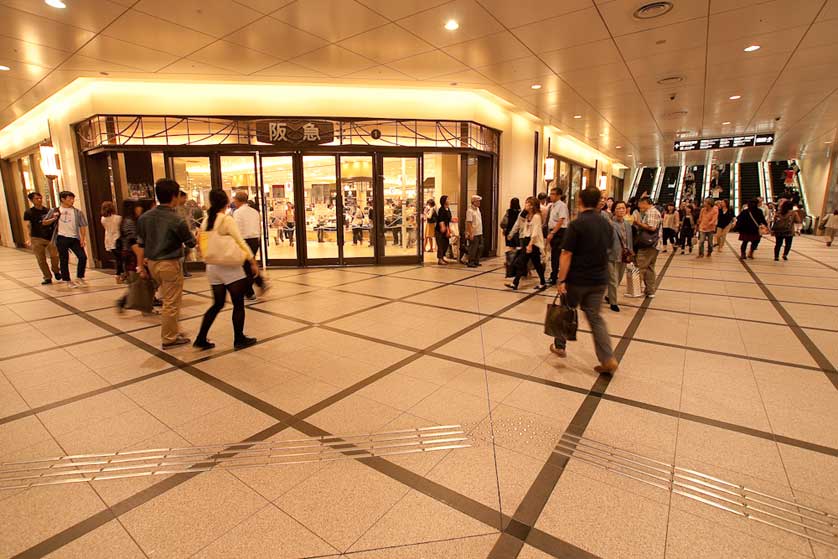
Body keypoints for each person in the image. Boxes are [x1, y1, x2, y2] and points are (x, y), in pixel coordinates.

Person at [550, 188, 618, 374]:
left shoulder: (577, 224)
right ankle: (607, 358)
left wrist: (561, 279)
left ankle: (560, 346)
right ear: (598, 202)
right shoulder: (606, 224)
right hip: (599, 280)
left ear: (580, 200)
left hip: (576, 280)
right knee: (595, 318)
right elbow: (609, 248)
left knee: (566, 310)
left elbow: (566, 254)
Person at [193, 190, 258, 351]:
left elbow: (200, 242)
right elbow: (239, 240)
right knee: (238, 304)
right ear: (225, 202)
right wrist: (252, 260)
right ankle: (239, 338)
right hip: (229, 266)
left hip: (212, 267)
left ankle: (201, 338)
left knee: (217, 304)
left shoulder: (206, 220)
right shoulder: (226, 220)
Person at [135, 179, 197, 349]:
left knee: (167, 298)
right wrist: (195, 237)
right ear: (174, 196)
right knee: (171, 302)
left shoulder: (145, 218)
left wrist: (141, 267)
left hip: (152, 263)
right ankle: (169, 338)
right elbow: (190, 243)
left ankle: (174, 329)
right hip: (169, 263)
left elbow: (140, 244)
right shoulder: (176, 219)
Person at [42, 191, 88, 288]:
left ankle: (80, 277)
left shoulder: (77, 212)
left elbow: (83, 225)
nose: (72, 201)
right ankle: (67, 280)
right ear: (63, 199)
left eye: (73, 199)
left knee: (82, 256)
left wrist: (83, 238)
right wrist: (54, 218)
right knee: (64, 259)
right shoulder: (55, 210)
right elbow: (44, 222)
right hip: (61, 237)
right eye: (69, 199)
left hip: (74, 237)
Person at [505, 196, 547, 291]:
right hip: (526, 240)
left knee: (528, 262)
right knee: (529, 262)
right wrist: (511, 234)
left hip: (533, 243)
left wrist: (530, 245)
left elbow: (535, 232)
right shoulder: (526, 215)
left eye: (527, 203)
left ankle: (516, 283)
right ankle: (541, 282)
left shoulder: (536, 217)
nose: (526, 205)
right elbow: (518, 223)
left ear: (532, 206)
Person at [232, 191, 266, 301]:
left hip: (244, 241)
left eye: (235, 200)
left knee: (245, 267)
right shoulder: (255, 212)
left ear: (238, 200)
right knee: (248, 265)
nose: (234, 202)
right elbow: (258, 227)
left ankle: (250, 291)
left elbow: (237, 230)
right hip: (254, 241)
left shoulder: (237, 213)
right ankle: (259, 283)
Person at [22, 192, 60, 285]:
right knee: (41, 259)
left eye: (40, 198)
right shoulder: (28, 212)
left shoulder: (48, 211)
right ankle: (47, 277)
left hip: (50, 237)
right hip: (36, 237)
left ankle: (56, 270)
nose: (39, 200)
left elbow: (55, 223)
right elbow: (27, 225)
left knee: (55, 256)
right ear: (31, 200)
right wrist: (28, 238)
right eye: (36, 198)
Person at [607, 201, 633, 313]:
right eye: (618, 208)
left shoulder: (627, 224)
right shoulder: (610, 224)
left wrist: (630, 252)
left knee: (619, 278)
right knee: (613, 279)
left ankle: (609, 295)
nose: (621, 210)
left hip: (624, 255)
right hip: (611, 254)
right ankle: (613, 302)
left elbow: (629, 239)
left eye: (623, 208)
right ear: (614, 210)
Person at [634, 197, 661, 298]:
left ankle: (635, 290)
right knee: (649, 268)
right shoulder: (653, 211)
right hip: (654, 245)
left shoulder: (651, 212)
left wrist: (638, 223)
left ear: (645, 203)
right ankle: (650, 291)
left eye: (640, 205)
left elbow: (652, 227)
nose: (639, 207)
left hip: (648, 244)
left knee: (639, 267)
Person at [545, 187, 569, 285]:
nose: (551, 195)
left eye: (553, 194)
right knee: (554, 255)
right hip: (554, 231)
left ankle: (555, 276)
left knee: (556, 255)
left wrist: (553, 233)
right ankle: (554, 275)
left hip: (560, 232)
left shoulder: (561, 206)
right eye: (551, 193)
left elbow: (561, 220)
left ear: (559, 195)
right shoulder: (552, 205)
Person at [100, 201, 123, 281]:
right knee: (121, 258)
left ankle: (119, 274)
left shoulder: (103, 219)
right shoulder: (118, 218)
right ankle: (119, 274)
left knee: (117, 258)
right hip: (118, 239)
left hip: (109, 240)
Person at [463, 195, 483, 268]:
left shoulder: (478, 209)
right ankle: (470, 262)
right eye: (478, 201)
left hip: (479, 231)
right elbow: (469, 223)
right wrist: (470, 233)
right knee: (473, 248)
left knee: (480, 247)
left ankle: (476, 261)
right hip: (474, 232)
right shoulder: (469, 211)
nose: (479, 203)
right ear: (473, 202)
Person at [435, 195, 452, 265]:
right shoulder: (441, 209)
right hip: (439, 230)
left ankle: (442, 257)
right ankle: (440, 259)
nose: (449, 200)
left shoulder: (448, 209)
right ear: (444, 201)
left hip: (446, 229)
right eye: (447, 199)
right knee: (440, 245)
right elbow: (441, 220)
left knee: (446, 244)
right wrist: (443, 227)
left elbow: (448, 220)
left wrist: (448, 230)